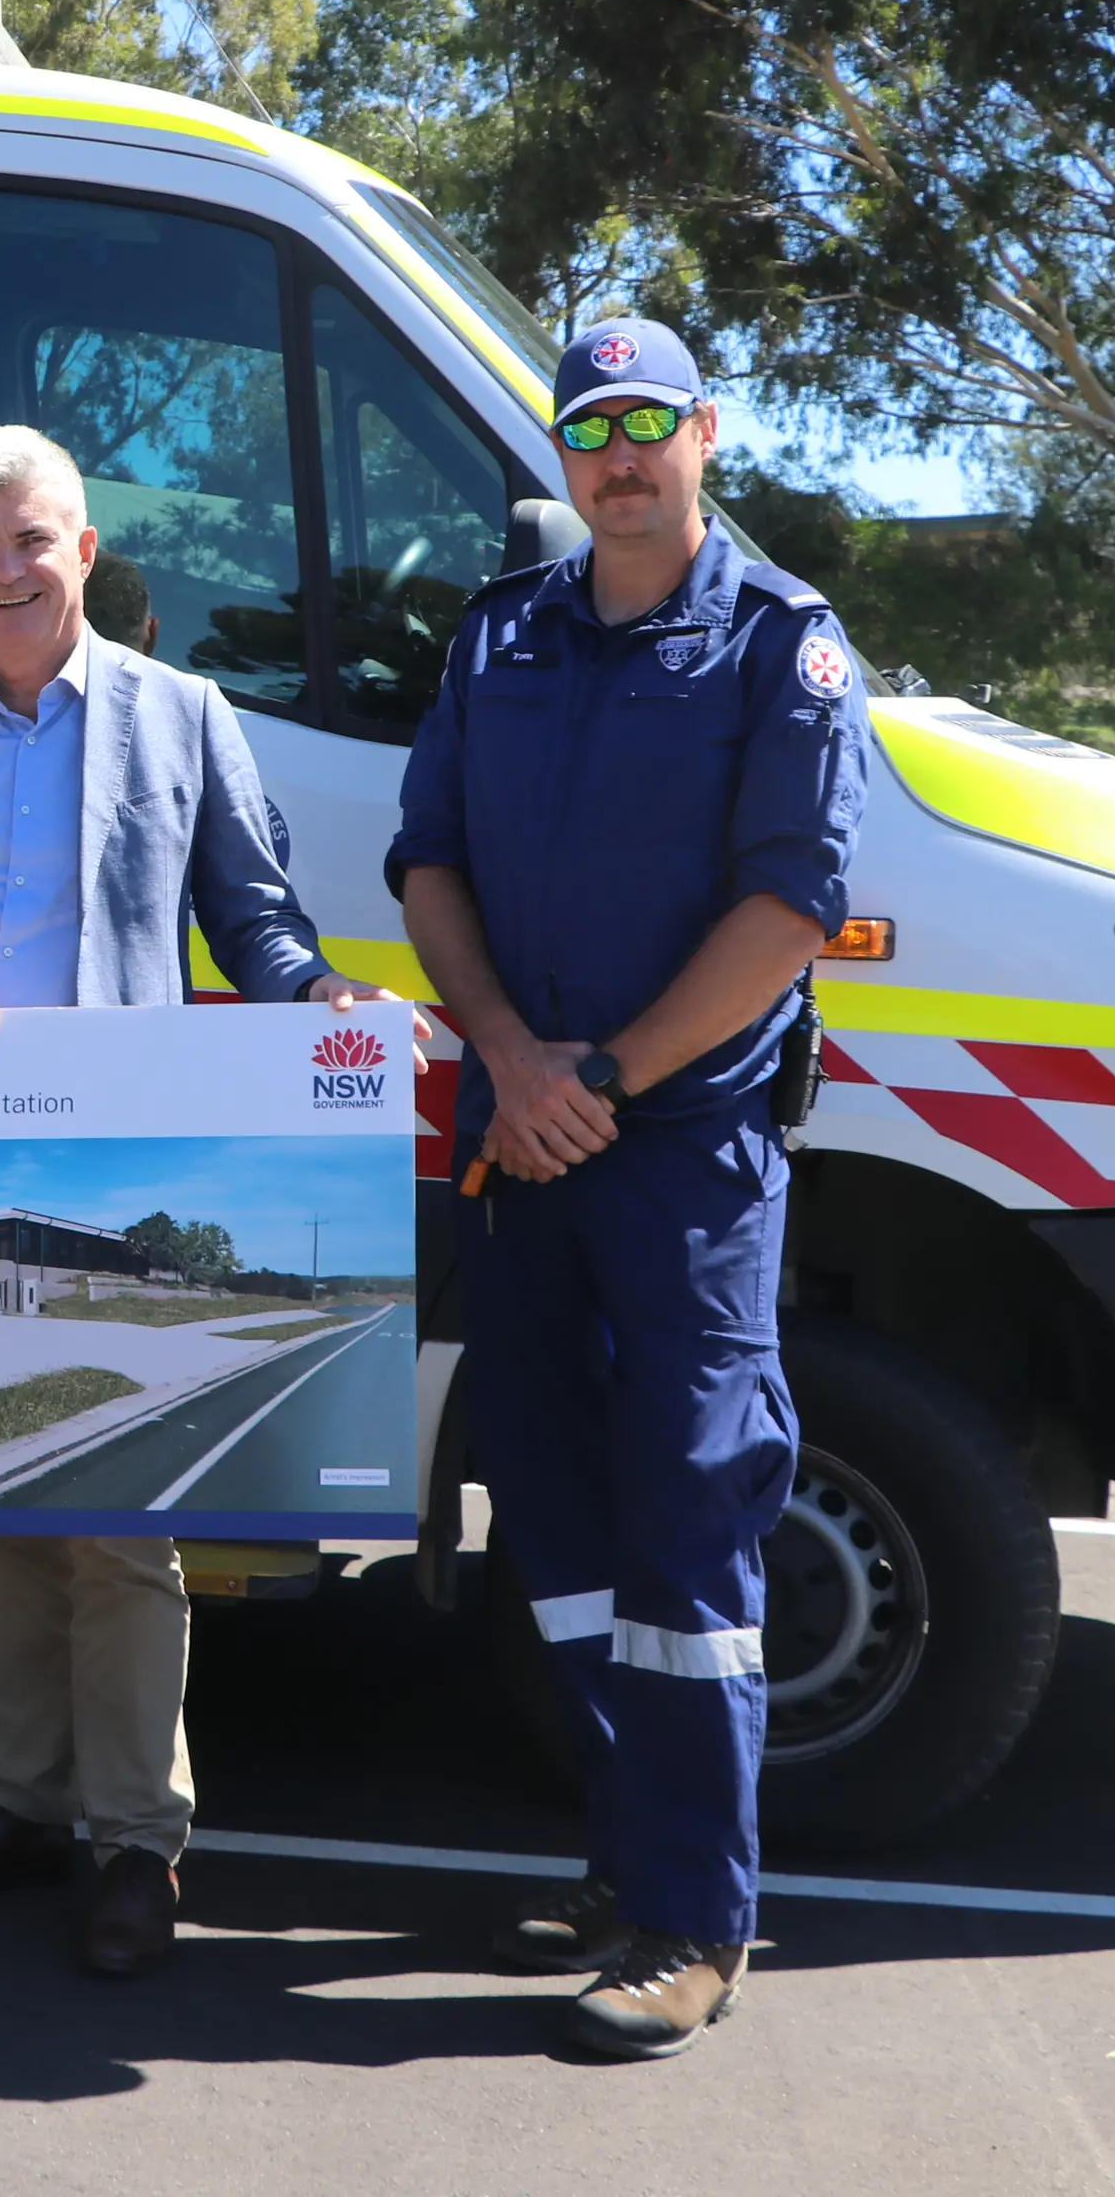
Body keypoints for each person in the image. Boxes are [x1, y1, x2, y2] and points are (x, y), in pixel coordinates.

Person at [0, 423, 393, 1978]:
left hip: (121, 1146)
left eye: (29, 542)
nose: (2, 572)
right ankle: (15, 1804)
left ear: (85, 552)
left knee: (126, 1525)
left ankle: (137, 1842)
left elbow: (252, 916)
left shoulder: (183, 716)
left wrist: (326, 1000)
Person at [386, 315, 865, 2059]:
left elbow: (789, 914)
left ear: (708, 435)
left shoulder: (779, 645)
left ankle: (690, 1919)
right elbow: (429, 863)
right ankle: (623, 1850)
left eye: (652, 422)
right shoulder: (502, 631)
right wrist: (511, 1054)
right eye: (592, 428)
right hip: (524, 1139)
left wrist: (601, 1078)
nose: (622, 453)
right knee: (561, 1525)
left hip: (679, 1163)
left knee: (686, 1515)